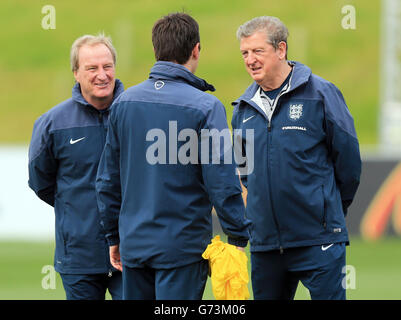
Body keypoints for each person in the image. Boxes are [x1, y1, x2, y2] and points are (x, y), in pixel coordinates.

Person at [95, 12, 250, 300]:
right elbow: (221, 178)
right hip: (183, 249)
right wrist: (237, 234)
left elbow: (107, 180)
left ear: (156, 50)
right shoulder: (206, 106)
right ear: (196, 50)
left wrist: (113, 237)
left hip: (135, 246)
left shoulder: (123, 103)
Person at [232, 16, 361, 300]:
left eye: (257, 51)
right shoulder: (242, 110)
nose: (250, 59)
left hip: (319, 241)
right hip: (266, 246)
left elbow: (349, 162)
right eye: (245, 53)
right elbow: (245, 173)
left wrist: (330, 211)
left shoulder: (321, 93)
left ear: (281, 49)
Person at [28, 33, 124, 300]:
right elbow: (41, 183)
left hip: (131, 252)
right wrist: (77, 212)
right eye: (92, 68)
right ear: (76, 73)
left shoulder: (136, 114)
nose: (102, 75)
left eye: (107, 66)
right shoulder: (52, 124)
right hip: (78, 257)